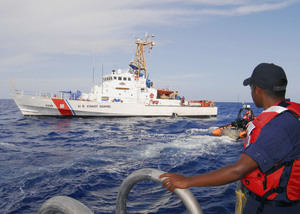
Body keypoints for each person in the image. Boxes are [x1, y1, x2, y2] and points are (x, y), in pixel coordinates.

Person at [160, 63, 300, 214]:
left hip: (273, 207)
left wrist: (187, 181)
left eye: (251, 88)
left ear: (257, 90)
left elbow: (238, 171)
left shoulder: (278, 126)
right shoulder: (289, 115)